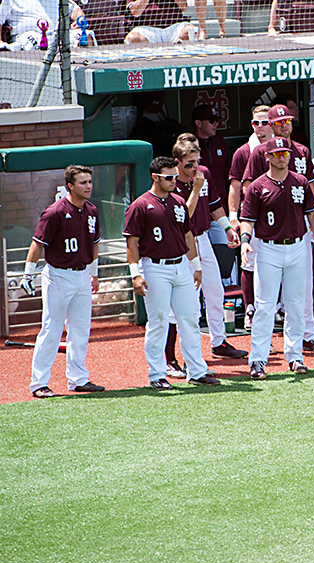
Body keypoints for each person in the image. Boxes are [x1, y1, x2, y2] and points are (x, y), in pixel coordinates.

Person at [124, 157, 220, 389]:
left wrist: (196, 265)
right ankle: (157, 374)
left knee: (190, 319)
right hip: (154, 266)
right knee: (158, 321)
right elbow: (132, 242)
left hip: (181, 266)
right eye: (169, 178)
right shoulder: (140, 205)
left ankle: (196, 370)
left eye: (175, 177)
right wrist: (135, 273)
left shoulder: (178, 202)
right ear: (155, 178)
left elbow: (188, 235)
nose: (174, 181)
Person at [240, 137, 314, 379]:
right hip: (268, 248)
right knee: (265, 306)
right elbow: (247, 220)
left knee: (296, 304)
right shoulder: (257, 186)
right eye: (277, 154)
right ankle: (258, 360)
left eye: (285, 153)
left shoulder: (300, 181)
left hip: (298, 246)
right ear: (267, 157)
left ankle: (295, 356)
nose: (282, 157)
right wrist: (244, 242)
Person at [22, 165, 103, 398]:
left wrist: (94, 273)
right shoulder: (55, 212)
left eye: (90, 181)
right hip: (58, 275)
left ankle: (78, 379)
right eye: (83, 182)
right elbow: (38, 243)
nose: (88, 186)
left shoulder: (92, 211)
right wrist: (28, 273)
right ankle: (39, 383)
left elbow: (95, 243)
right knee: (52, 328)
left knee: (80, 329)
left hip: (82, 275)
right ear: (70, 185)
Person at [170, 139, 245, 364]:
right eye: (189, 164)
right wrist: (195, 188)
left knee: (215, 291)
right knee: (189, 301)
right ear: (177, 163)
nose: (194, 168)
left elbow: (214, 205)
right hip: (182, 244)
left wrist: (228, 228)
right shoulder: (171, 182)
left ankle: (218, 342)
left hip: (203, 238)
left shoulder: (203, 173)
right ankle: (188, 353)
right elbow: (185, 216)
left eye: (196, 162)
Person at [228, 105, 272, 328]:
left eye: (265, 122)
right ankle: (250, 309)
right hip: (253, 214)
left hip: (279, 215)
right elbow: (236, 186)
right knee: (250, 263)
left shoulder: (283, 148)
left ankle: (278, 309)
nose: (261, 126)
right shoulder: (244, 151)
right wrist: (233, 217)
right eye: (256, 122)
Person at [124, 0, 196, 44]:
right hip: (147, 30)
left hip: (174, 28)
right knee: (132, 38)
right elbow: (135, 12)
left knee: (190, 31)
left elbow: (184, 7)